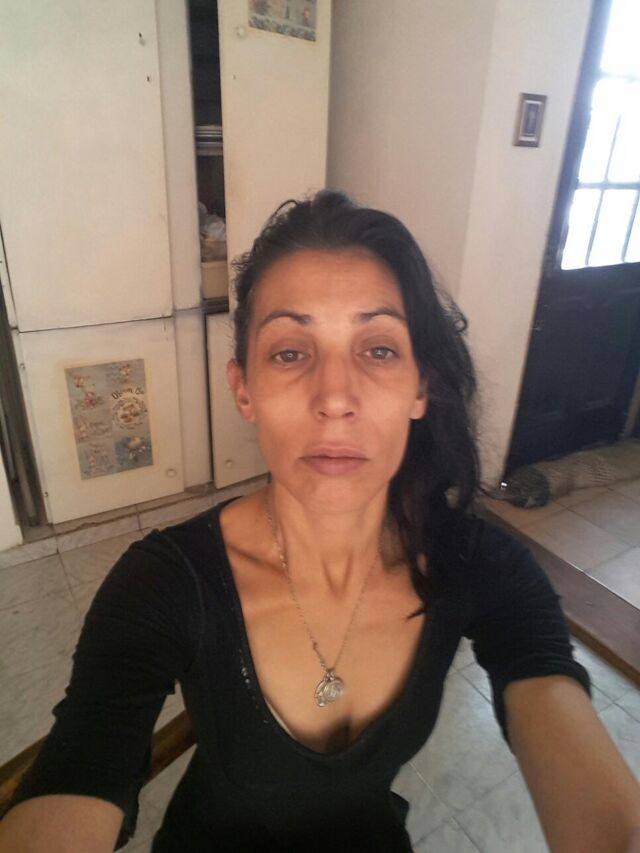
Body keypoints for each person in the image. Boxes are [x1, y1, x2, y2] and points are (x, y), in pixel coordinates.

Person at [1, 190, 639, 852]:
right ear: (244, 389)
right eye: (289, 352)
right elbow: (76, 774)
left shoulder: (482, 566)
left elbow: (568, 733)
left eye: (379, 349)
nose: (335, 397)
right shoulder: (162, 582)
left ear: (420, 387)